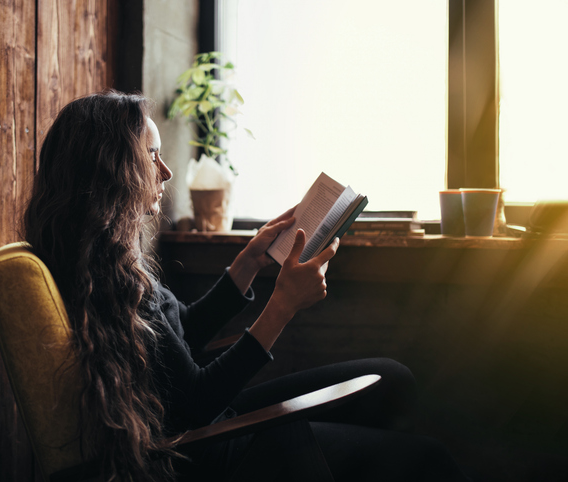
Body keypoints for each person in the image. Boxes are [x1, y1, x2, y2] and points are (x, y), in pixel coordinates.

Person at [24, 91, 469, 482]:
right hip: (202, 448)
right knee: (428, 458)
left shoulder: (100, 254)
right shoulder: (105, 274)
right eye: (151, 156)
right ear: (114, 168)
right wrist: (283, 306)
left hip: (201, 423)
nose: (165, 172)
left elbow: (177, 344)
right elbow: (194, 402)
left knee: (392, 378)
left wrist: (246, 264)